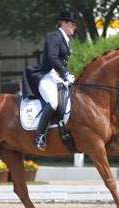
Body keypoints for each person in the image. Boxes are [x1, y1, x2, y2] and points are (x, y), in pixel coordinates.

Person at [30, 11, 77, 150]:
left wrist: (65, 75)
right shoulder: (54, 37)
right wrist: (65, 73)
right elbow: (52, 58)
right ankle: (39, 136)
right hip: (46, 75)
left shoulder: (64, 39)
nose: (74, 27)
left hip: (57, 77)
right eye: (72, 24)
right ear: (63, 23)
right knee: (54, 102)